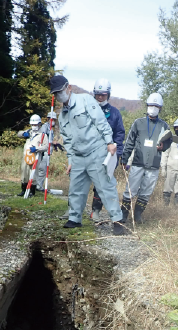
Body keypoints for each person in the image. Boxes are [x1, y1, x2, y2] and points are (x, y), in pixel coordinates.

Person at [50, 75, 126, 235]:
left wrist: (110, 142)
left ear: (68, 88)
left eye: (61, 91)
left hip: (96, 152)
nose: (59, 95)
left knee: (105, 187)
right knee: (76, 189)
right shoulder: (62, 115)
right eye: (56, 93)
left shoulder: (85, 100)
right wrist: (70, 160)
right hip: (78, 157)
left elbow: (101, 122)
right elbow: (68, 141)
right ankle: (74, 218)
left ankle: (118, 220)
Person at [120, 93, 172, 225]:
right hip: (138, 162)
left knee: (146, 192)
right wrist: (124, 158)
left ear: (160, 108)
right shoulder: (138, 123)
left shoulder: (163, 126)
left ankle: (137, 216)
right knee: (130, 190)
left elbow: (168, 141)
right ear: (147, 105)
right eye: (151, 105)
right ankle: (123, 216)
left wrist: (163, 146)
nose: (153, 108)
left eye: (156, 106)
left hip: (153, 164)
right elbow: (129, 142)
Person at [89, 79, 126, 223]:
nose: (100, 97)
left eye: (103, 95)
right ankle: (73, 211)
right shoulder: (87, 110)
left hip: (106, 155)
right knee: (79, 181)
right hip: (88, 152)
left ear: (108, 95)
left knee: (102, 184)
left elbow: (119, 135)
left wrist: (117, 154)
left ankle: (96, 211)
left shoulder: (115, 113)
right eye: (97, 94)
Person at [17, 114, 49, 197]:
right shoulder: (29, 132)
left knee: (33, 174)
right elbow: (18, 134)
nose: (34, 126)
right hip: (26, 156)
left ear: (39, 124)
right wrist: (24, 134)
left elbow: (46, 146)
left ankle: (32, 191)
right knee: (24, 173)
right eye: (32, 125)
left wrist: (37, 149)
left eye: (35, 125)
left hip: (35, 157)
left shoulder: (42, 135)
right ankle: (23, 190)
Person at [161, 118, 178, 206]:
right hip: (170, 168)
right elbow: (165, 154)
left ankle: (177, 207)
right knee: (167, 189)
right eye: (176, 128)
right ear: (174, 129)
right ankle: (165, 206)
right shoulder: (171, 140)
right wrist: (163, 168)